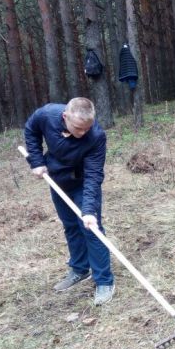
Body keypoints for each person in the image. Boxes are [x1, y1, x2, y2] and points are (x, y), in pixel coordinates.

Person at [24, 98, 114, 306]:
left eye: (87, 128)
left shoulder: (96, 136)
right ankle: (80, 269)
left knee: (91, 228)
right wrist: (36, 162)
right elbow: (31, 130)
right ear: (65, 117)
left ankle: (104, 281)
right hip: (57, 179)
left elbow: (94, 174)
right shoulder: (46, 115)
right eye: (78, 128)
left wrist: (89, 210)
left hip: (82, 182)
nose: (83, 133)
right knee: (71, 226)